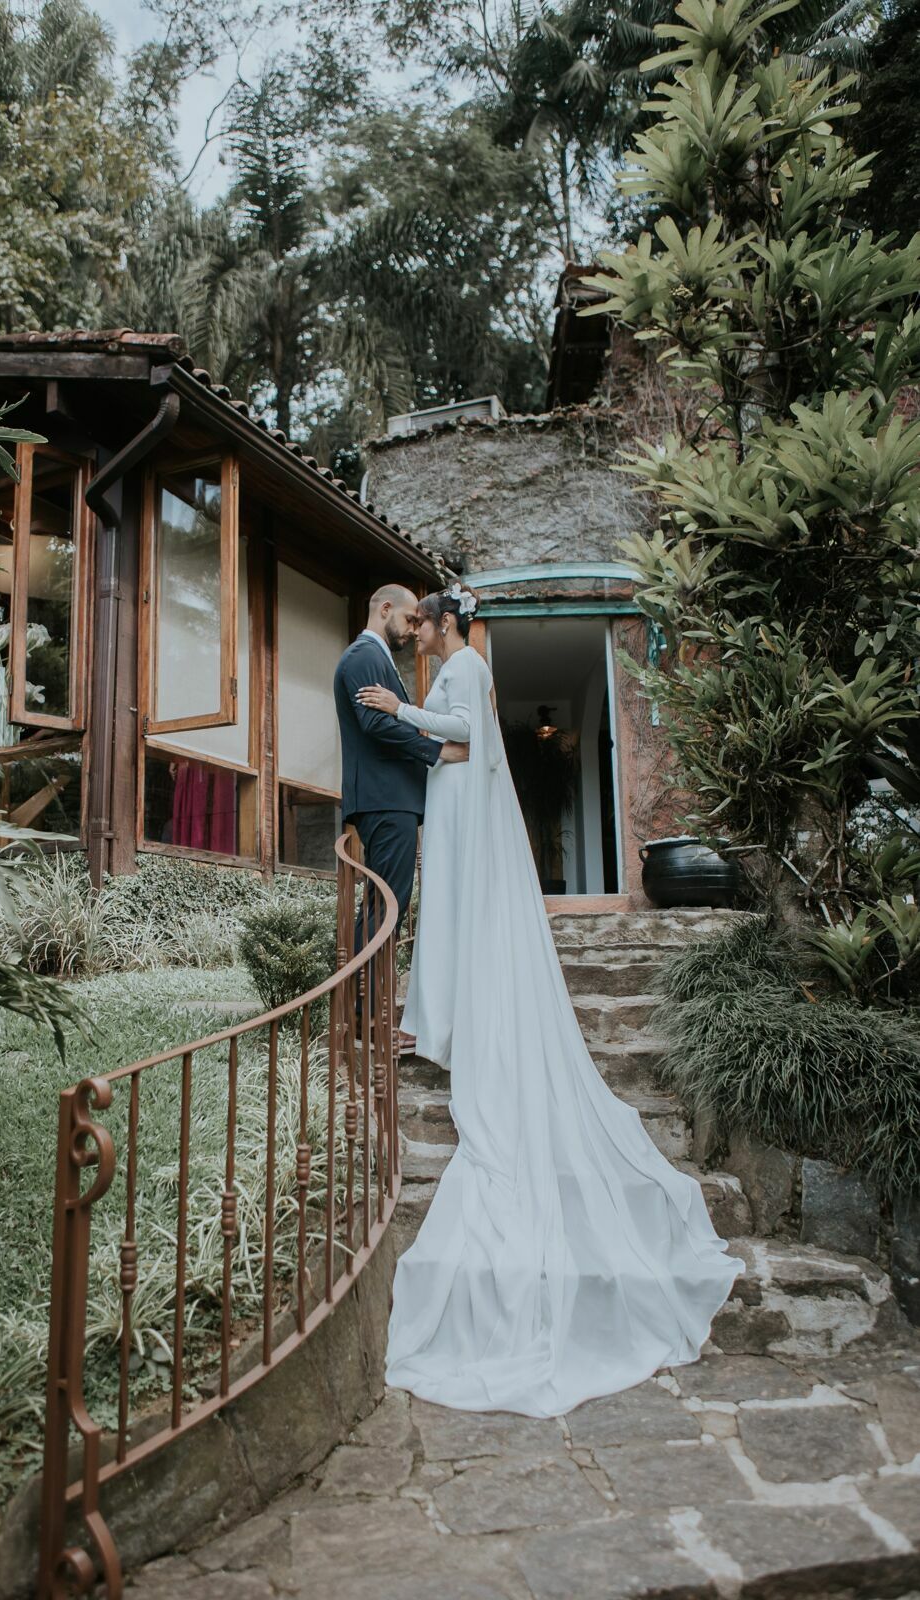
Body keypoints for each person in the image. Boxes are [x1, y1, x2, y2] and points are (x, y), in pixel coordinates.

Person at [356, 584, 744, 1419]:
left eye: (419, 626)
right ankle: (446, 1013)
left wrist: (401, 709)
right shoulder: (459, 662)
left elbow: (464, 735)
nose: (415, 639)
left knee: (456, 909)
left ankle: (455, 1019)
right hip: (454, 801)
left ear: (439, 623)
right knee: (450, 911)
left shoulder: (460, 664)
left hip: (459, 800)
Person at [333, 584, 469, 1046]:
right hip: (385, 801)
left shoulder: (379, 659)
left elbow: (391, 718)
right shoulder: (362, 657)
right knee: (385, 908)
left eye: (419, 623)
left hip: (392, 801)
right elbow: (376, 724)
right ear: (385, 609)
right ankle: (366, 1020)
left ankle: (363, 1013)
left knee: (384, 906)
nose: (414, 629)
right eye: (410, 619)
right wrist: (438, 752)